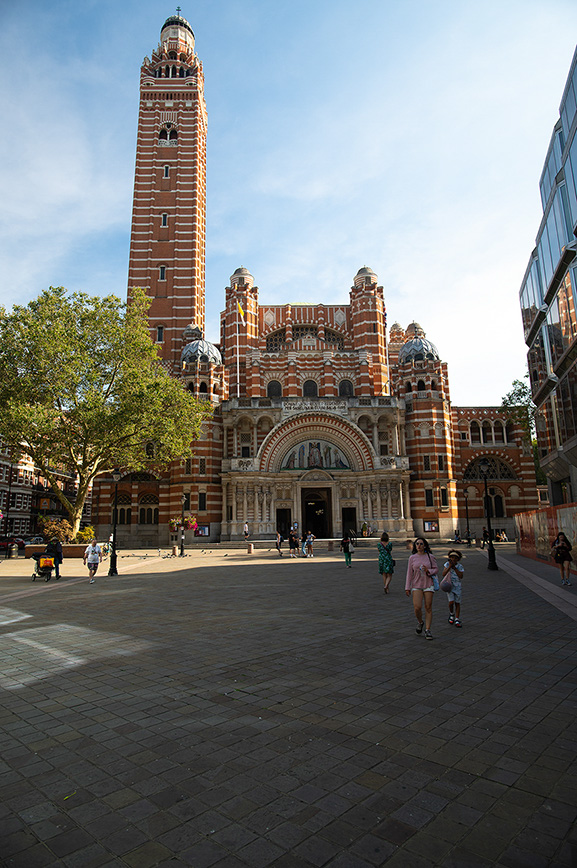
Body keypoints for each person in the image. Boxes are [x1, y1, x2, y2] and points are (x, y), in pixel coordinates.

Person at [405, 537, 438, 640]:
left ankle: (428, 630)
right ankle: (420, 622)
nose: (419, 546)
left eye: (421, 544)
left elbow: (436, 569)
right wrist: (407, 587)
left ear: (425, 545)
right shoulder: (412, 558)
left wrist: (428, 571)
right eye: (417, 544)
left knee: (428, 607)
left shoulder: (430, 557)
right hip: (416, 584)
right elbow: (409, 573)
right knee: (417, 607)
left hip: (428, 583)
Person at [442, 549, 464, 627]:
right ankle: (452, 614)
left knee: (457, 603)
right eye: (452, 557)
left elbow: (461, 576)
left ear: (458, 559)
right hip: (450, 586)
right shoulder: (447, 565)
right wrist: (450, 567)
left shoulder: (460, 566)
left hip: (457, 586)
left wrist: (454, 568)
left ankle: (457, 618)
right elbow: (443, 574)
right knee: (451, 602)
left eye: (455, 558)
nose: (453, 559)